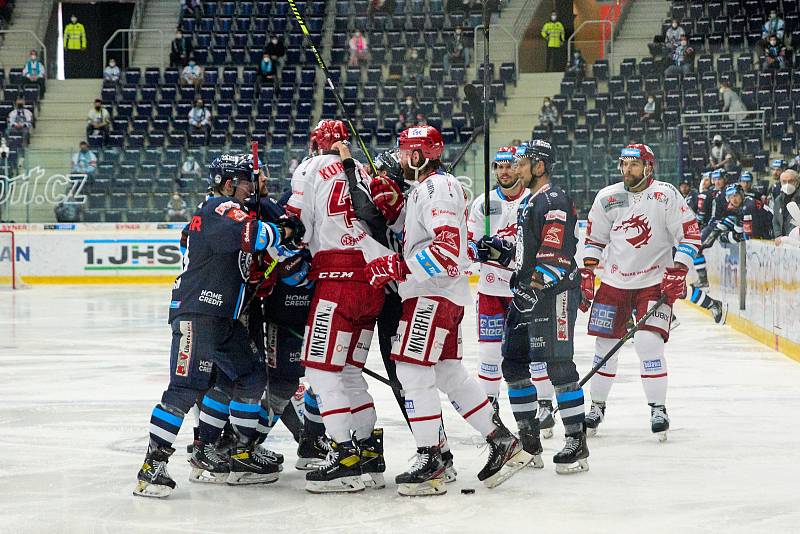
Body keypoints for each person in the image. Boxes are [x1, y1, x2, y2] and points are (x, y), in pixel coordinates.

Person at [365, 126, 531, 497]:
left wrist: (397, 268)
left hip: (430, 293)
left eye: (406, 150)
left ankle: (431, 459)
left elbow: (446, 247)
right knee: (448, 372)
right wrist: (394, 209)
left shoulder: (436, 187)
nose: (401, 157)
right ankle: (502, 441)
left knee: (410, 368)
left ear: (422, 153)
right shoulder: (427, 189)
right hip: (442, 294)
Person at [133, 154, 296, 497]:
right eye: (245, 182)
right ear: (227, 183)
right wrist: (284, 229)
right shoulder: (220, 208)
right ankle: (152, 465)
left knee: (250, 375)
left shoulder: (215, 211)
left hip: (223, 317)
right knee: (185, 386)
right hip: (198, 314)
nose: (251, 188)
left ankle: (239, 449)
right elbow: (253, 234)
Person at [285, 120, 392, 493]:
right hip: (373, 280)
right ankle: (368, 454)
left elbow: (295, 223)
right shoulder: (361, 168)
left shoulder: (310, 167)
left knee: (320, 370)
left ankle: (343, 454)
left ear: (316, 143)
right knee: (348, 372)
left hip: (337, 281)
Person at [581, 144, 702, 441]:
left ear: (649, 166)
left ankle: (658, 408)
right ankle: (597, 406)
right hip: (613, 283)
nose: (627, 170)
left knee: (648, 343)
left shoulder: (665, 194)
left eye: (634, 164)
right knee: (604, 347)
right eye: (624, 164)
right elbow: (593, 240)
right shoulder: (607, 197)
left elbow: (690, 235)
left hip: (653, 282)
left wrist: (679, 269)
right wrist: (587, 272)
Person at [497, 139, 590, 473]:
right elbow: (530, 253)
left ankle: (576, 442)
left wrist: (532, 287)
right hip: (530, 294)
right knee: (513, 365)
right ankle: (529, 441)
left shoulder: (553, 199)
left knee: (559, 366)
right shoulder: (531, 201)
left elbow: (556, 255)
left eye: (523, 163)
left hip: (555, 294)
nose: (516, 168)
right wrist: (501, 252)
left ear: (539, 166)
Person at [467, 146, 557, 442]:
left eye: (509, 166)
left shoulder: (535, 201)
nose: (504, 172)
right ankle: (489, 405)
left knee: (536, 350)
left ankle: (544, 403)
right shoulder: (484, 203)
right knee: (490, 352)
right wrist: (483, 248)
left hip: (527, 290)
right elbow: (469, 245)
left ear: (520, 169)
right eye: (498, 167)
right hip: (492, 290)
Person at [773, 169, 800, 238]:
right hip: (783, 241)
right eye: (784, 182)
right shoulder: (778, 200)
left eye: (790, 181)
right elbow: (775, 220)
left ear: (797, 182)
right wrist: (778, 235)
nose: (787, 184)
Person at [63, 15, 87, 79]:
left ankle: (78, 75)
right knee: (70, 63)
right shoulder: (68, 26)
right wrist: (65, 45)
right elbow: (65, 37)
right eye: (72, 17)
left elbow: (83, 36)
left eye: (74, 17)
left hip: (78, 47)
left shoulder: (80, 26)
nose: (73, 19)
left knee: (78, 63)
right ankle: (70, 76)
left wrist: (83, 45)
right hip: (70, 47)